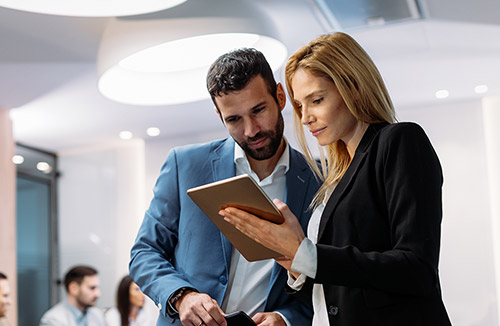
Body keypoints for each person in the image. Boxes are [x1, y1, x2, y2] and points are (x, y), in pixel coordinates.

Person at [220, 32, 452, 326]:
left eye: (316, 100)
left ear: (353, 87)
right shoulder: (335, 174)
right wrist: (293, 263)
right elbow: (338, 296)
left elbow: (416, 269)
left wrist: (304, 253)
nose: (305, 118)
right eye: (300, 106)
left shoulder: (399, 141)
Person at [129, 48, 320, 326]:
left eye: (258, 111)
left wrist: (286, 318)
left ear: (280, 97)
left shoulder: (320, 180)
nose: (251, 130)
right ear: (220, 116)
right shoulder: (185, 165)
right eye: (234, 119)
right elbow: (144, 252)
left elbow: (324, 279)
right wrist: (182, 296)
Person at [40, 265, 106, 326]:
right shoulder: (53, 320)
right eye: (92, 288)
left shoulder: (97, 314)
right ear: (73, 288)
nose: (98, 294)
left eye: (97, 288)